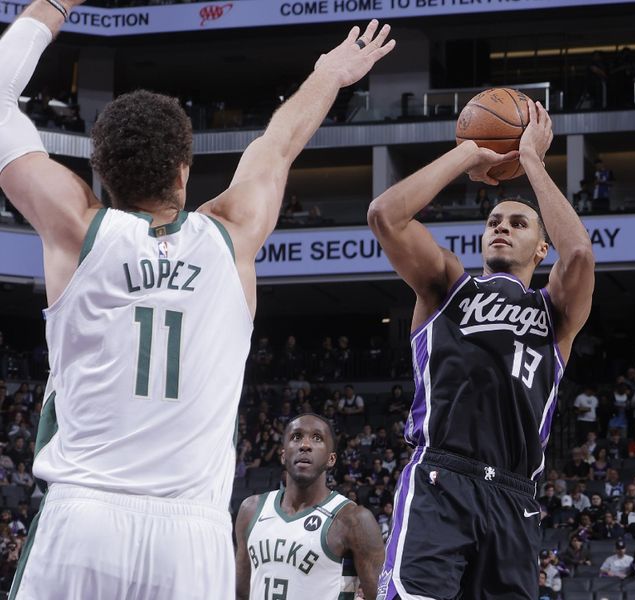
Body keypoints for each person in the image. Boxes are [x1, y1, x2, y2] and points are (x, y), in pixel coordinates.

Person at [0, 3, 395, 597]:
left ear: (99, 171)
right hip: (190, 535)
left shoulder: (77, 230)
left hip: (83, 520)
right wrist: (329, 75)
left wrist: (52, 6)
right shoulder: (232, 235)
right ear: (184, 173)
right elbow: (278, 146)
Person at [368, 99, 594, 600]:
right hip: (441, 477)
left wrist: (531, 160)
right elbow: (386, 214)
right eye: (495, 220)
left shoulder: (553, 312)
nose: (502, 227)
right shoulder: (449, 286)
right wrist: (469, 152)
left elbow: (577, 252)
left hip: (515, 496)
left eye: (518, 223)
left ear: (541, 249)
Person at [235, 414, 385, 600]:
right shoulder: (250, 510)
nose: (305, 445)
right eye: (296, 437)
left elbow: (380, 596)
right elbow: (241, 593)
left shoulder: (354, 520)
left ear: (331, 459)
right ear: (283, 454)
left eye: (317, 438)